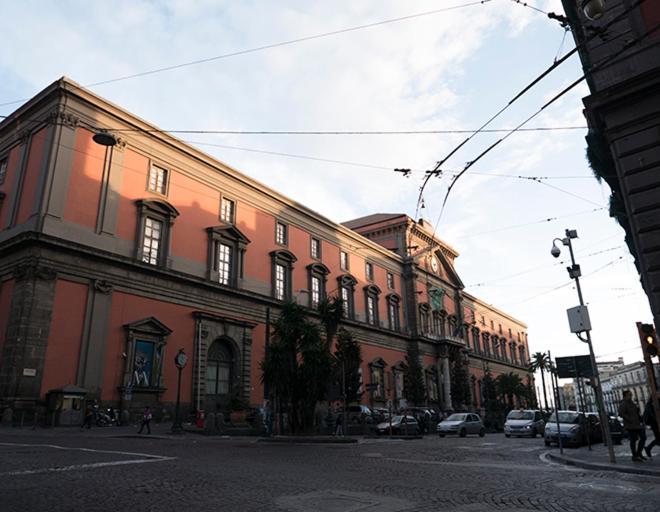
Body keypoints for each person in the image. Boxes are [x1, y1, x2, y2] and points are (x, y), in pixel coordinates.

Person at [618, 390, 646, 461]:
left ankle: (639, 453)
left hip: (637, 424)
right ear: (625, 396)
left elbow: (636, 412)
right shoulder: (623, 403)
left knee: (643, 437)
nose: (631, 396)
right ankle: (635, 456)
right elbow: (621, 413)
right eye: (629, 395)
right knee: (633, 440)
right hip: (630, 425)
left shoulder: (632, 403)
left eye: (631, 395)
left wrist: (640, 418)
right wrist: (629, 419)